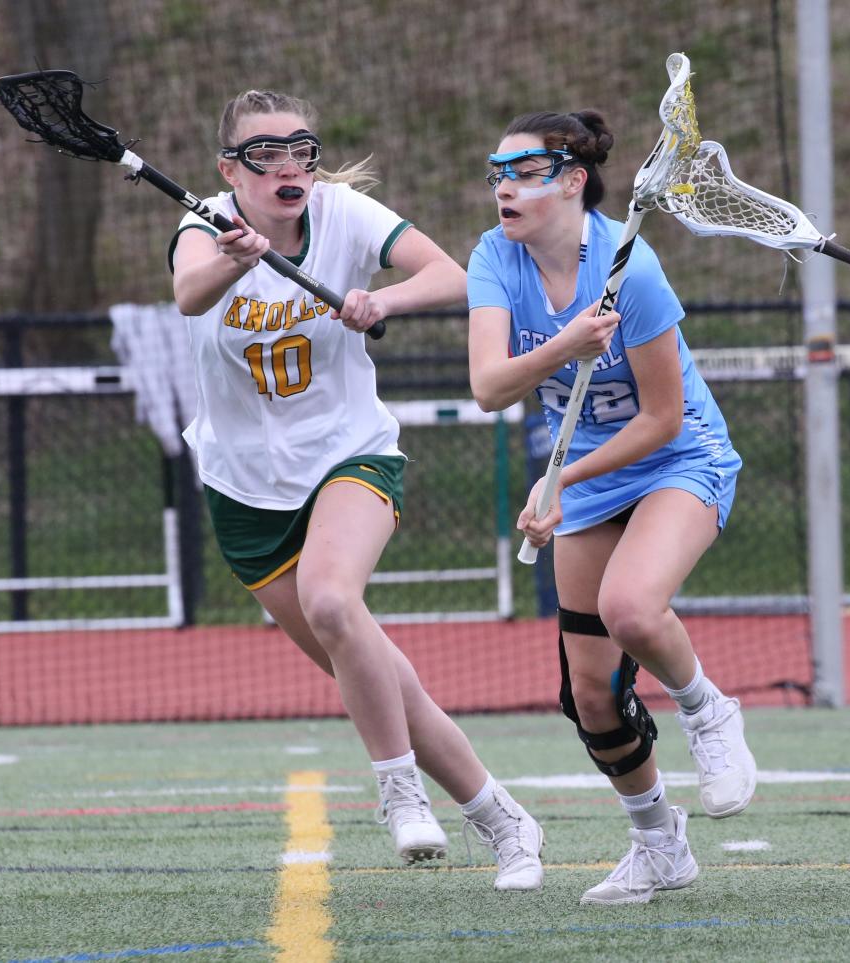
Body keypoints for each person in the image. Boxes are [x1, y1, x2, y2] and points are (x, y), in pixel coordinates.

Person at [169, 88, 543, 890]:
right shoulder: (203, 224)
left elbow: (450, 273)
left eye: (299, 149)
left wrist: (385, 296)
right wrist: (232, 258)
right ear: (231, 169)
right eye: (264, 154)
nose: (287, 166)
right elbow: (189, 294)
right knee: (377, 673)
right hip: (243, 488)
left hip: (349, 455)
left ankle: (398, 790)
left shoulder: (344, 214)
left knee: (336, 604)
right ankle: (503, 819)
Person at [466, 109, 757, 905]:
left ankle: (708, 712)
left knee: (631, 607)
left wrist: (559, 477)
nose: (504, 186)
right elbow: (491, 385)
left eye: (522, 171)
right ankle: (659, 842)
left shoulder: (636, 270)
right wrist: (568, 345)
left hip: (676, 458)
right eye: (497, 170)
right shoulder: (495, 256)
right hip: (589, 479)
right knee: (591, 693)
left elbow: (661, 418)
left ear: (570, 180)